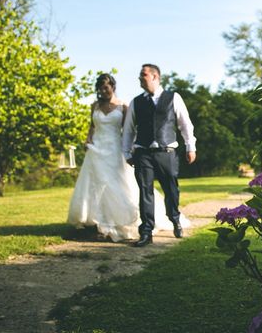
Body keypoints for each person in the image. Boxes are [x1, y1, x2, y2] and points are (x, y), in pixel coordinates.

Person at [67, 73, 189, 242]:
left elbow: (129, 130)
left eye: (106, 87)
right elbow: (92, 127)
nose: (103, 91)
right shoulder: (94, 105)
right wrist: (88, 140)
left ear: (112, 87)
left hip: (115, 149)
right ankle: (99, 221)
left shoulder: (123, 105)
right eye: (100, 88)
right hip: (97, 149)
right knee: (96, 185)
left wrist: (130, 150)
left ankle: (163, 219)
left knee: (120, 183)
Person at [122, 63, 197, 247]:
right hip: (143, 153)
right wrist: (126, 152)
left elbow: (185, 124)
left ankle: (175, 219)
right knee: (145, 192)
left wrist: (190, 146)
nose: (140, 78)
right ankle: (146, 231)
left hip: (166, 151)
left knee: (171, 189)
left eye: (143, 75)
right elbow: (129, 129)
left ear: (155, 76)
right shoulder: (136, 102)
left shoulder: (173, 98)